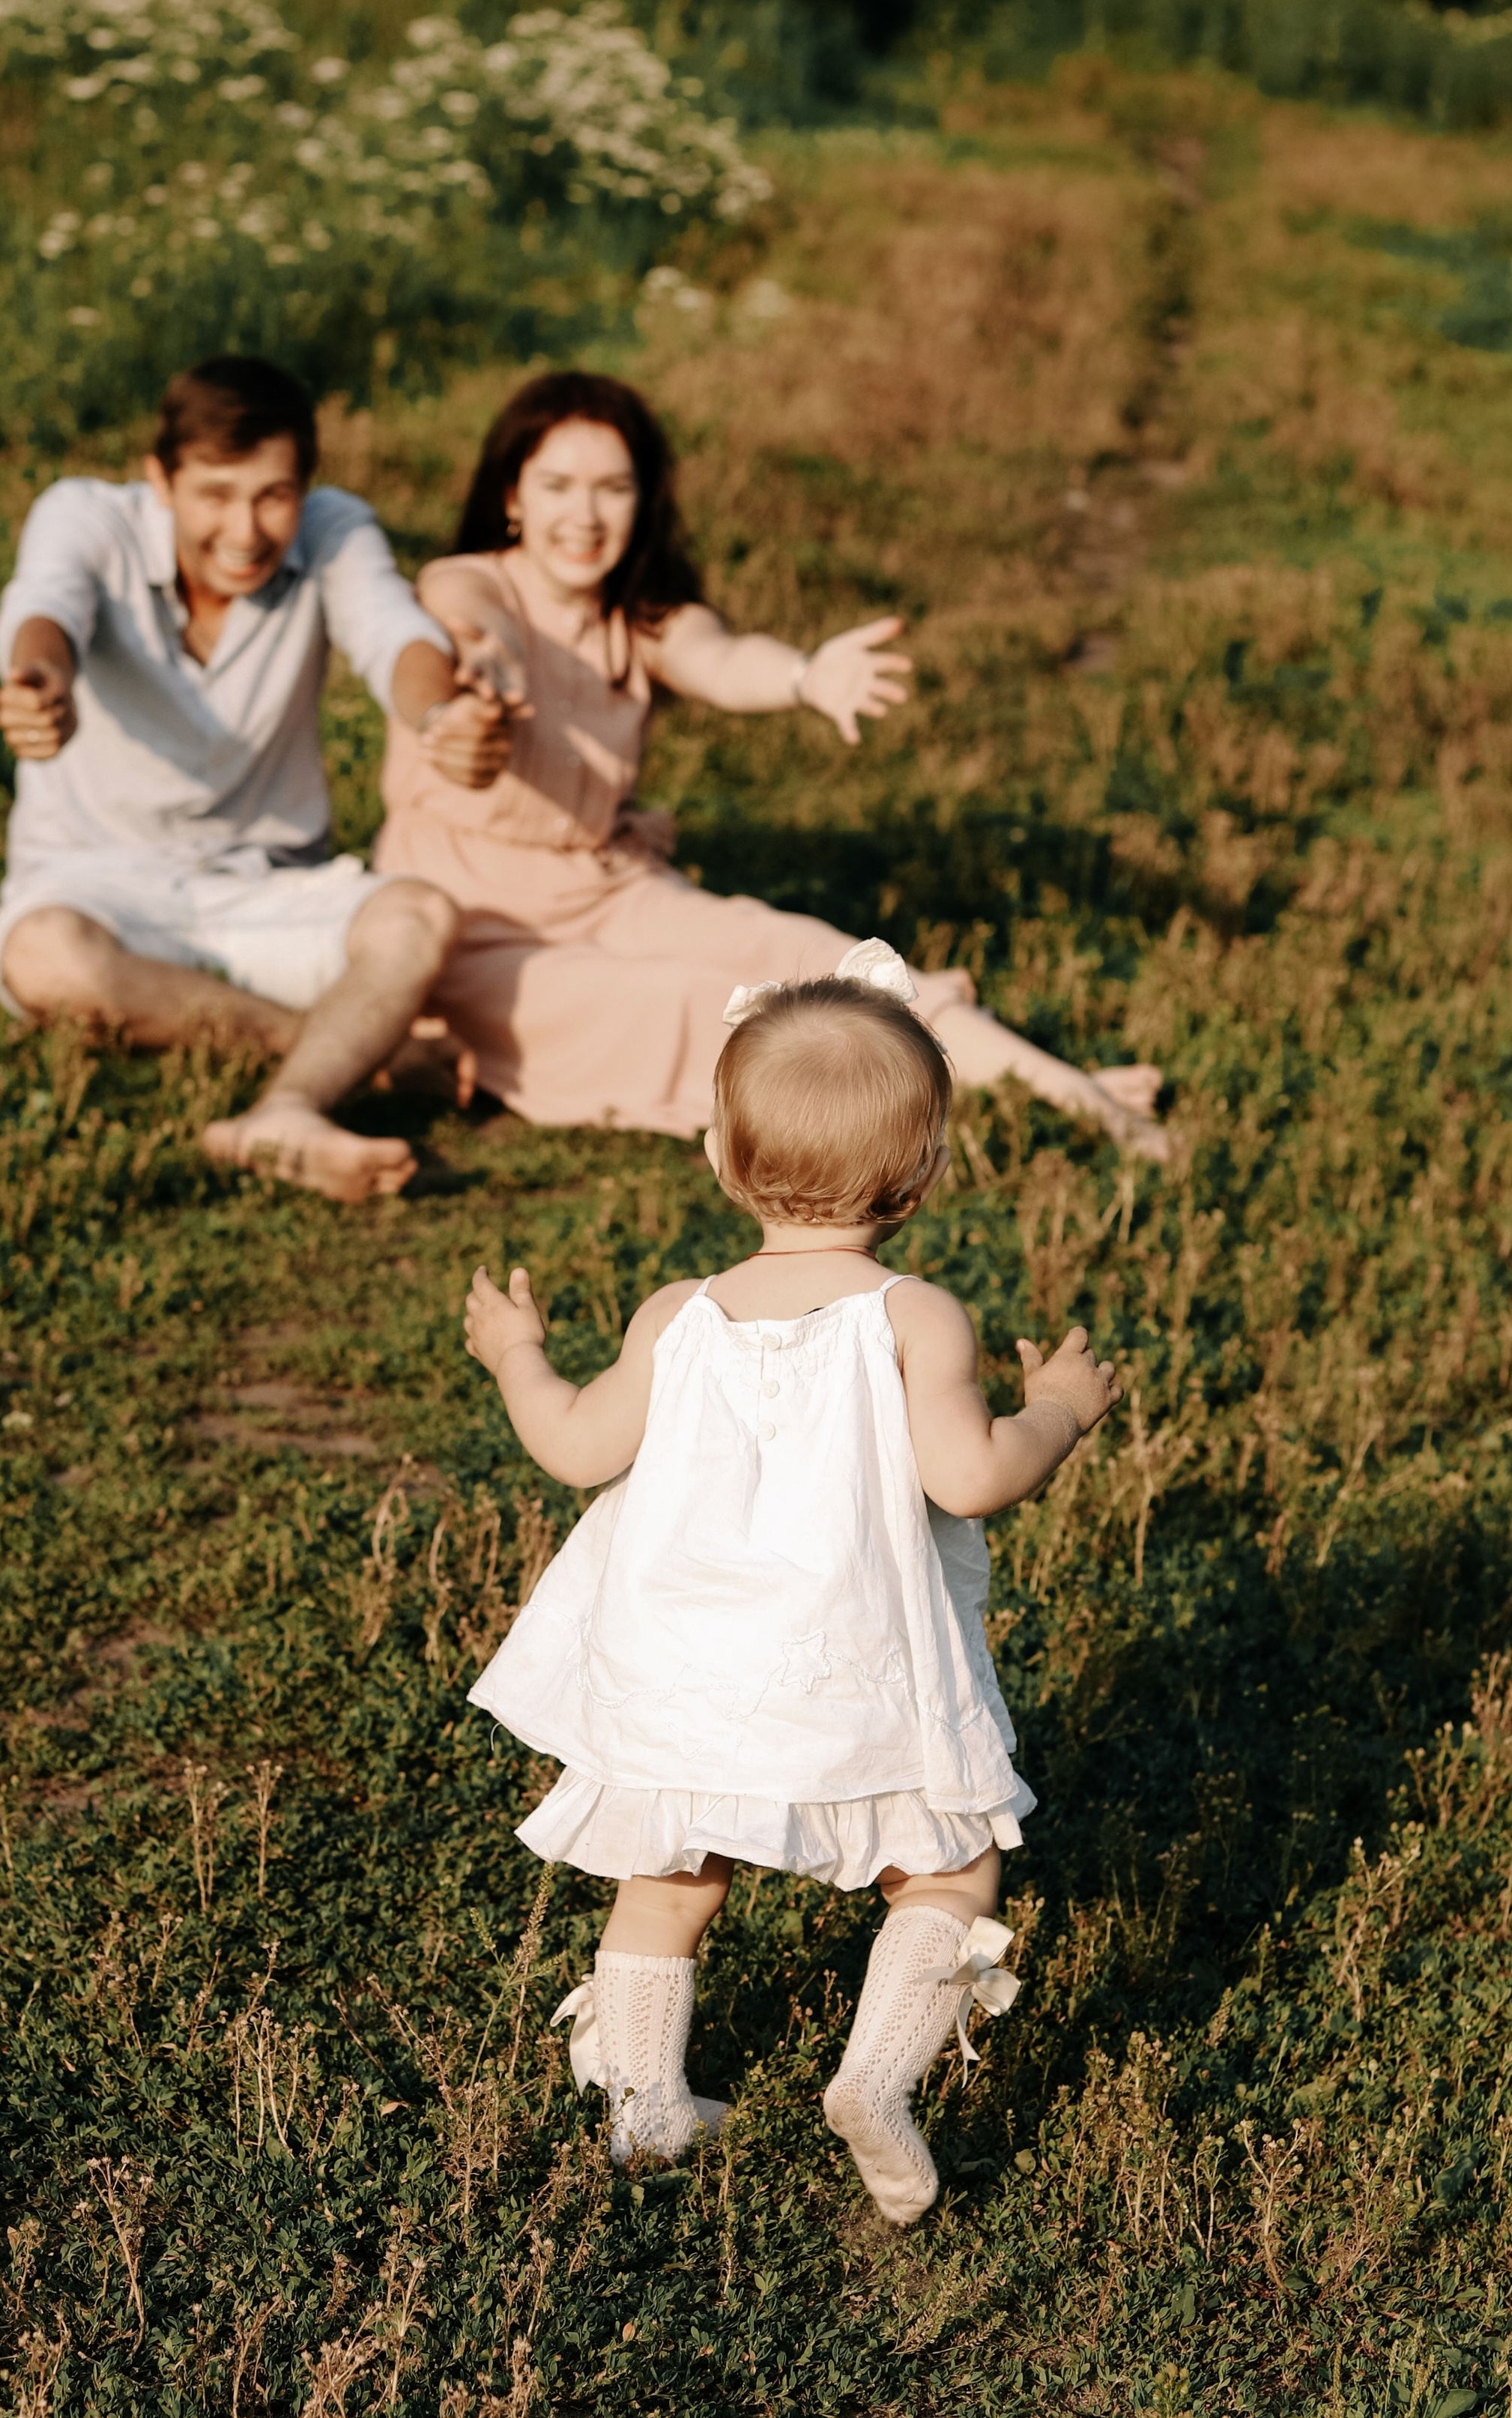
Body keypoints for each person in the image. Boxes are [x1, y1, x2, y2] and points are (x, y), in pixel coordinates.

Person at [460, 941, 1122, 2221]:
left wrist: (516, 1355)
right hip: (853, 1658)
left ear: (719, 1157)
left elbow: (575, 1447)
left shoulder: (678, 1314)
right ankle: (875, 2083)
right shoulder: (915, 1317)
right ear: (925, 1179)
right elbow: (975, 1477)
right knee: (946, 1874)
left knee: (669, 1875)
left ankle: (647, 2103)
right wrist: (1057, 1413)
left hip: (679, 1664)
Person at [376, 370, 1168, 1155]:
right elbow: (471, 624)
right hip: (473, 919)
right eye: (556, 485)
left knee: (811, 953)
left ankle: (1065, 1091)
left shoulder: (643, 618)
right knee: (690, 1004)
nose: (583, 515)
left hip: (607, 886)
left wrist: (803, 677)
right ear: (511, 497)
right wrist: (491, 672)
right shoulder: (469, 582)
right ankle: (953, 1097)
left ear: (642, 500)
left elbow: (719, 659)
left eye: (612, 489)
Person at [0, 356, 507, 1203]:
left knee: (419, 916)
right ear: (161, 479)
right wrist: (38, 685)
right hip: (96, 889)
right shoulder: (83, 516)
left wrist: (441, 717)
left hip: (269, 888)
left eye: (272, 495)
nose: (246, 529)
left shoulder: (335, 530)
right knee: (44, 957)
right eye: (216, 494)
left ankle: (286, 1112)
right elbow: (44, 613)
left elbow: (394, 636)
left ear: (305, 487)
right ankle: (345, 1051)